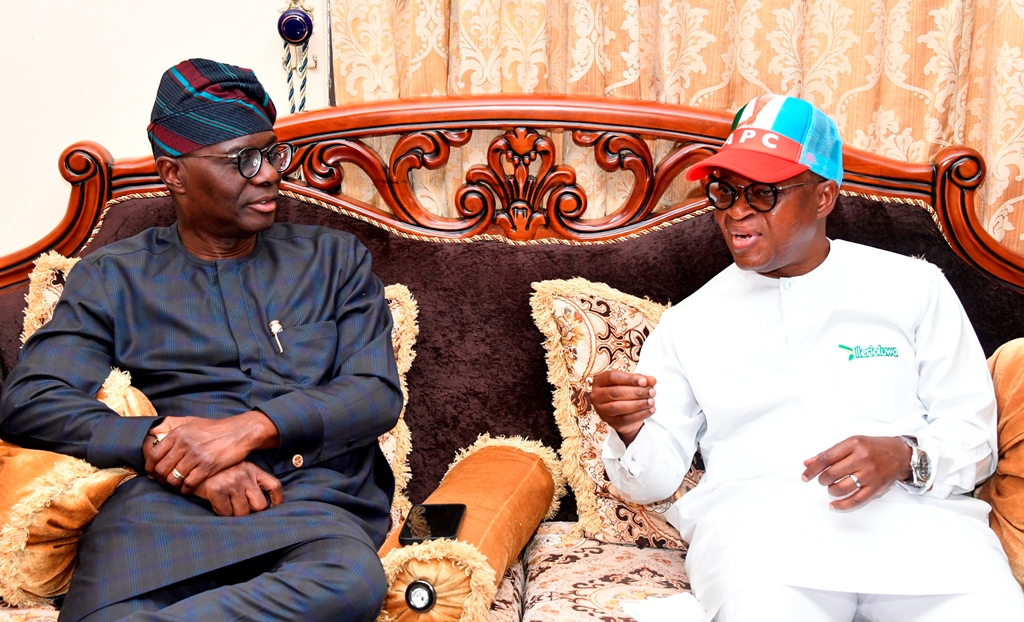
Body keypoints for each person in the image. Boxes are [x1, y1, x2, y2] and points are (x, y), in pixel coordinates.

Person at [591, 93, 1024, 621]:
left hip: (923, 532)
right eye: (725, 191)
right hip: (762, 542)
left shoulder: (913, 286)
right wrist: (631, 429)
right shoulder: (690, 321)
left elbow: (974, 437)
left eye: (764, 192)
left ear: (824, 197)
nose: (737, 211)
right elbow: (651, 480)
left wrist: (906, 456)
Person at [0, 58, 402, 622]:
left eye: (272, 152)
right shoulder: (115, 278)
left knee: (350, 583)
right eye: (243, 160)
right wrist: (168, 449)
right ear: (174, 175)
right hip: (163, 509)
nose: (267, 175)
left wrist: (248, 430)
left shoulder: (334, 261)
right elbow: (30, 400)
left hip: (309, 504)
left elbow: (374, 392)